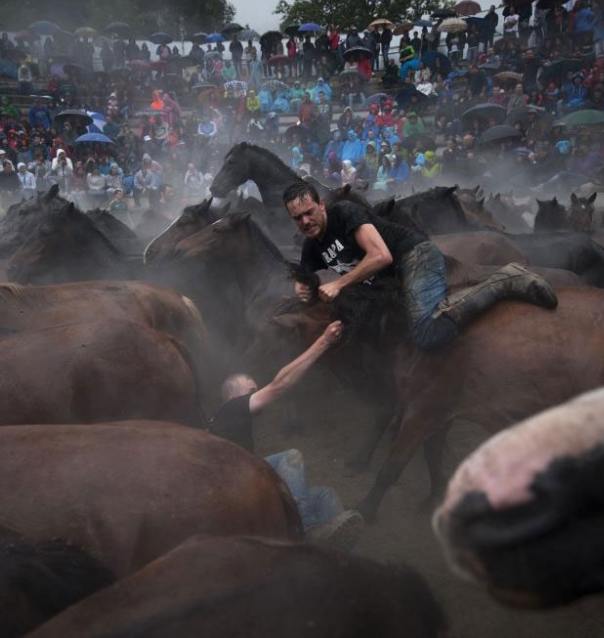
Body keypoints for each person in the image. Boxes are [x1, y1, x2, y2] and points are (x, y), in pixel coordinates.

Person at [283, 183, 558, 352]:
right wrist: (302, 288)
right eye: (298, 218)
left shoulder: (344, 213)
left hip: (415, 257)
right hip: (393, 282)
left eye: (309, 212)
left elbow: (380, 257)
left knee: (427, 334)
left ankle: (504, 280)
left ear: (321, 205)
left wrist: (339, 283)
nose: (305, 221)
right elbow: (305, 277)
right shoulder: (311, 246)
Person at [209, 321, 363, 550]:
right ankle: (307, 530)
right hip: (236, 483)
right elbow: (279, 385)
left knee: (323, 495)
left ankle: (350, 560)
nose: (256, 393)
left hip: (246, 474)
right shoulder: (230, 409)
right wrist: (323, 341)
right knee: (290, 457)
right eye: (251, 391)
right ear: (232, 395)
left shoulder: (230, 421)